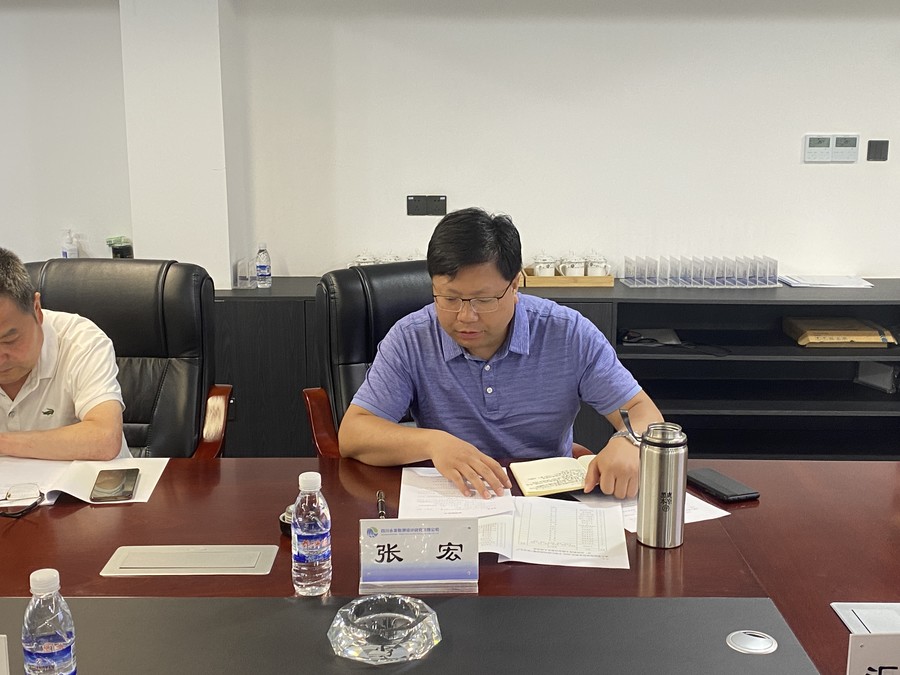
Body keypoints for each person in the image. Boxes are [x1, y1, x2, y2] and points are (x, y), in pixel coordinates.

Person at [339, 207, 663, 499]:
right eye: (449, 299)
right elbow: (353, 434)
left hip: (547, 500)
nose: (466, 316)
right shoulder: (411, 337)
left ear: (515, 285)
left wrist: (629, 441)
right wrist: (433, 443)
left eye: (484, 300)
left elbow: (642, 411)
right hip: (454, 498)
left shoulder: (567, 332)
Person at [0, 248, 129, 460]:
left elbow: (104, 439)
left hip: (89, 480)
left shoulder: (81, 341)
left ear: (36, 310)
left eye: (9, 340)